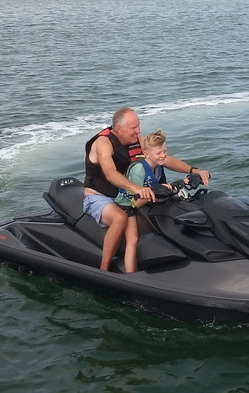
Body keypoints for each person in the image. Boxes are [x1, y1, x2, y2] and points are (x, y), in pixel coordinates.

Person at [83, 107, 210, 272]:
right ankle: (103, 270)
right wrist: (137, 188)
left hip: (127, 195)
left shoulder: (136, 139)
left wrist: (193, 170)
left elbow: (161, 157)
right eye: (134, 128)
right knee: (120, 218)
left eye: (138, 126)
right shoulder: (103, 143)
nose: (138, 131)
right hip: (100, 196)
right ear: (119, 128)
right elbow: (110, 173)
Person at [114, 129, 173, 273]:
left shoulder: (158, 167)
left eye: (164, 151)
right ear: (146, 154)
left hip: (146, 203)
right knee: (133, 240)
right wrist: (157, 191)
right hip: (127, 206)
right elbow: (137, 202)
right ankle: (131, 275)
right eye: (158, 153)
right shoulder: (138, 170)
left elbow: (159, 187)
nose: (163, 155)